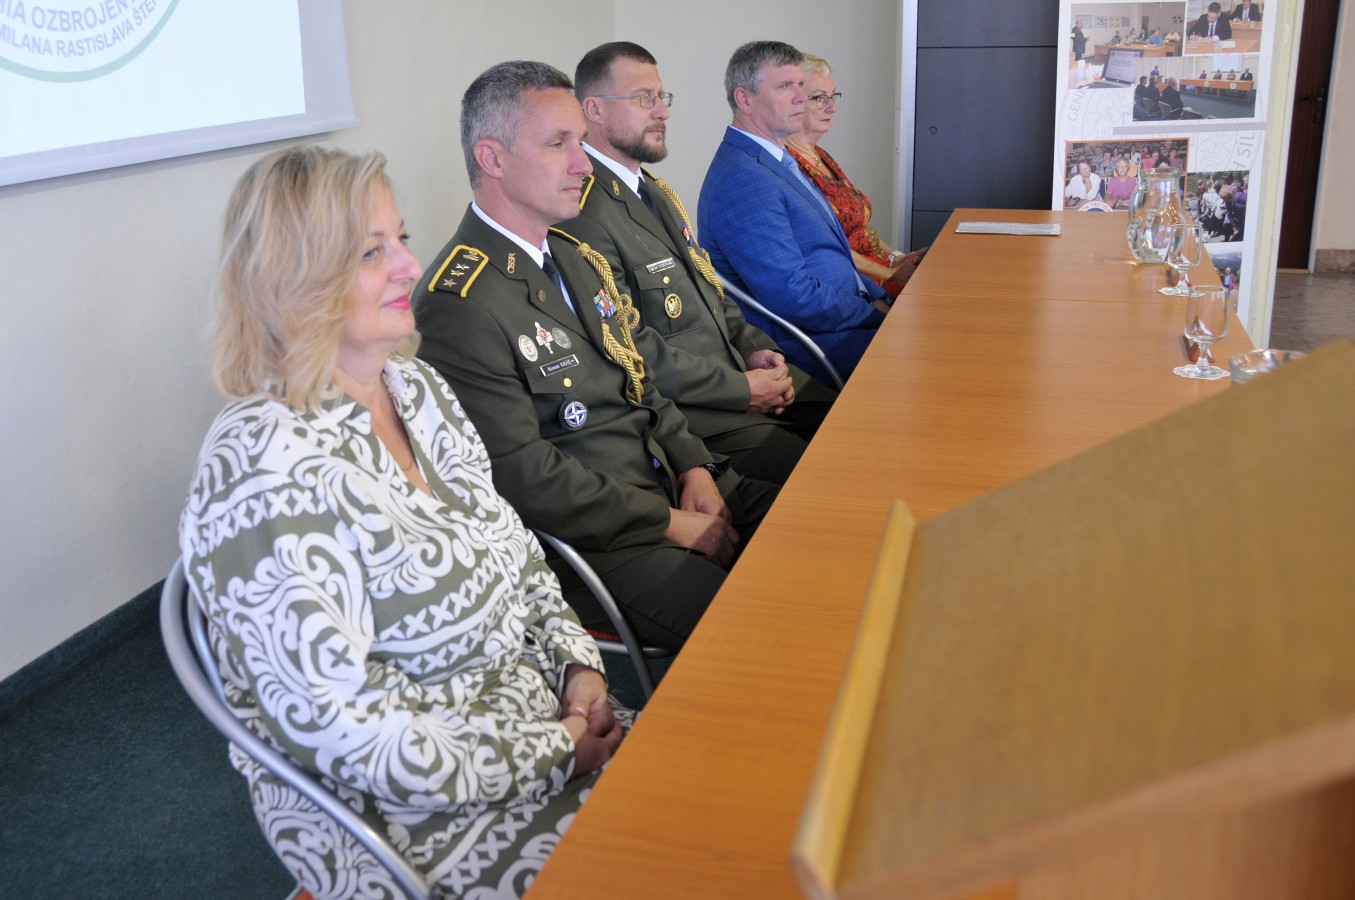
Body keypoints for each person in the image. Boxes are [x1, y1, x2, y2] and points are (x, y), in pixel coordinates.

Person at [179, 145, 628, 898]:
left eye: (402, 239)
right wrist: (552, 752)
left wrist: (577, 666)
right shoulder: (262, 465)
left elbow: (516, 552)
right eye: (370, 252)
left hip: (541, 718)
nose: (411, 266)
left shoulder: (416, 387)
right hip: (409, 817)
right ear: (291, 278)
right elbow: (344, 731)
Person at [413, 61, 778, 652]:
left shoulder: (575, 256)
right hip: (600, 545)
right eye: (558, 143)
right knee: (763, 633)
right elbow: (525, 476)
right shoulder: (459, 302)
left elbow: (640, 380)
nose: (583, 164)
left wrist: (693, 468)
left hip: (668, 483)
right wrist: (670, 523)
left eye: (580, 142)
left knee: (825, 531)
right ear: (492, 158)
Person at [566, 41, 835, 487]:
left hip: (736, 370)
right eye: (644, 98)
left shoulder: (654, 192)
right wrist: (742, 389)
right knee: (822, 474)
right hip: (694, 409)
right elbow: (632, 348)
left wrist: (755, 349)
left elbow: (713, 291)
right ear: (594, 109)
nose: (662, 112)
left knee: (848, 419)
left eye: (662, 97)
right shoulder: (585, 212)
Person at [698, 41, 893, 384]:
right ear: (744, 99)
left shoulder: (776, 159)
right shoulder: (744, 179)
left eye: (801, 85)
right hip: (811, 345)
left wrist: (879, 298)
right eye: (785, 86)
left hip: (839, 322)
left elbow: (834, 256)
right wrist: (872, 313)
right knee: (935, 352)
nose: (801, 97)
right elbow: (793, 297)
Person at [786, 54, 928, 300]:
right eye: (819, 98)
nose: (832, 107)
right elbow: (826, 247)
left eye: (832, 97)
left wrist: (898, 258)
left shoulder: (820, 155)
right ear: (794, 102)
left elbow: (858, 227)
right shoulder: (790, 165)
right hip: (854, 285)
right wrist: (891, 274)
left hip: (878, 272)